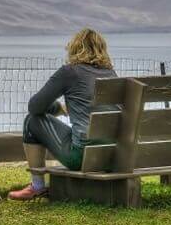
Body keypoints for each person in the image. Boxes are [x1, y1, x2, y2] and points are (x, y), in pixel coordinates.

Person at [9, 28, 118, 200]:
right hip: (113, 155)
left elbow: (35, 106)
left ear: (74, 48)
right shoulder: (111, 74)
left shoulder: (70, 72)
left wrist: (58, 108)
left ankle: (37, 186)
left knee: (31, 121)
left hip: (82, 157)